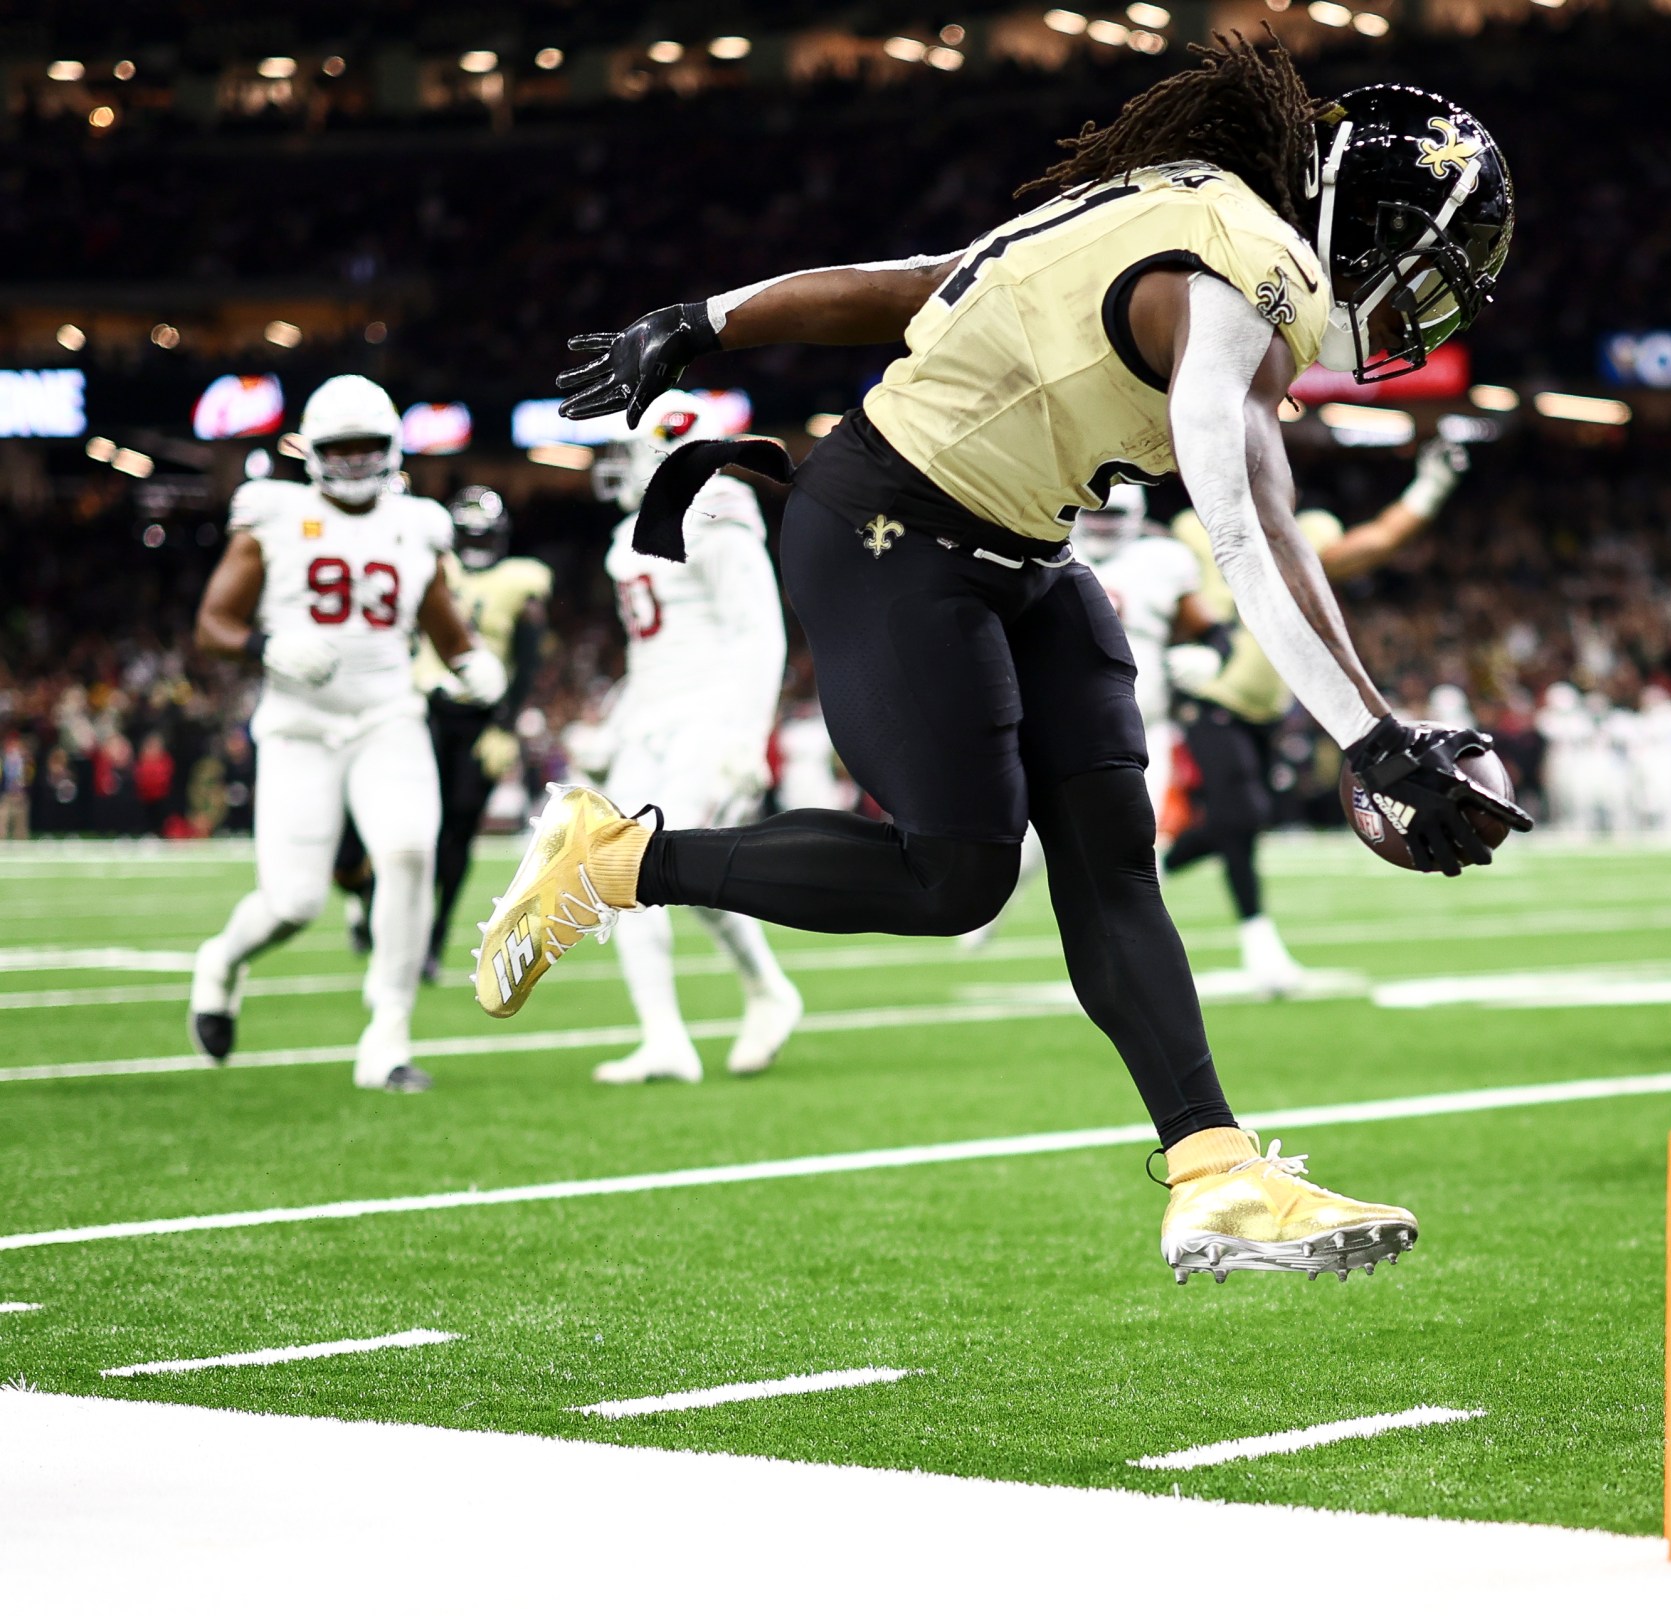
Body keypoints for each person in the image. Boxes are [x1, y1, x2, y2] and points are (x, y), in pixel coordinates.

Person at [474, 39, 1525, 1280]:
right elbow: (1246, 524)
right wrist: (1374, 733)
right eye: (1420, 272)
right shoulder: (1254, 269)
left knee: (1111, 860)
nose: (1415, 312)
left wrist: (712, 318)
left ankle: (1213, 1171)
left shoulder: (1167, 199)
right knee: (956, 877)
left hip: (1015, 543)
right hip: (890, 533)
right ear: (1354, 214)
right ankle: (615, 860)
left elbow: (926, 282)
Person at [186, 375, 506, 1091]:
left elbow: (439, 616)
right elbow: (212, 625)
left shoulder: (416, 523)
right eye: (343, 449)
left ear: (392, 451)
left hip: (388, 716)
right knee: (293, 903)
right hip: (300, 726)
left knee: (409, 852)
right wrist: (265, 645)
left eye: (370, 449)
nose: (358, 463)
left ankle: (387, 1035)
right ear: (314, 452)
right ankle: (222, 961)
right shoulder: (271, 514)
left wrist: (473, 663)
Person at [1163, 438, 1468, 990]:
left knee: (1246, 817)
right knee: (1244, 814)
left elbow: (1375, 542)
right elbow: (1149, 593)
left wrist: (1431, 488)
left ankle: (1155, 867)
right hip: (1210, 697)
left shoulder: (1301, 539)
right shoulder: (1192, 535)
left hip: (1266, 711)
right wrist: (1171, 652)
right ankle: (1260, 946)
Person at [582, 390, 804, 1083]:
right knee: (629, 871)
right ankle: (701, 1021)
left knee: (651, 865)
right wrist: (615, 726)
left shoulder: (718, 517)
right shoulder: (631, 537)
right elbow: (654, 654)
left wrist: (745, 737)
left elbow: (759, 635)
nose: (621, 467)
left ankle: (717, 1014)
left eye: (633, 450)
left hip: (709, 720)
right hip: (654, 720)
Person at [953, 481, 1214, 956]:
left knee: (1139, 838)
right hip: (1058, 720)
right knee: (1032, 836)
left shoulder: (1165, 560)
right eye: (1096, 514)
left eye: (1115, 515)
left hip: (1144, 725)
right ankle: (990, 909)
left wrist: (1206, 657)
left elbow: (1212, 630)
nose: (1104, 525)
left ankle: (1128, 942)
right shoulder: (1046, 551)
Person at [339, 485, 553, 978]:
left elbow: (528, 658)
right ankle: (367, 899)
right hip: (421, 708)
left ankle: (431, 939)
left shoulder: (520, 582)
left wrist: (505, 723)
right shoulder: (432, 568)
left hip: (480, 717)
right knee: (398, 822)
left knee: (457, 832)